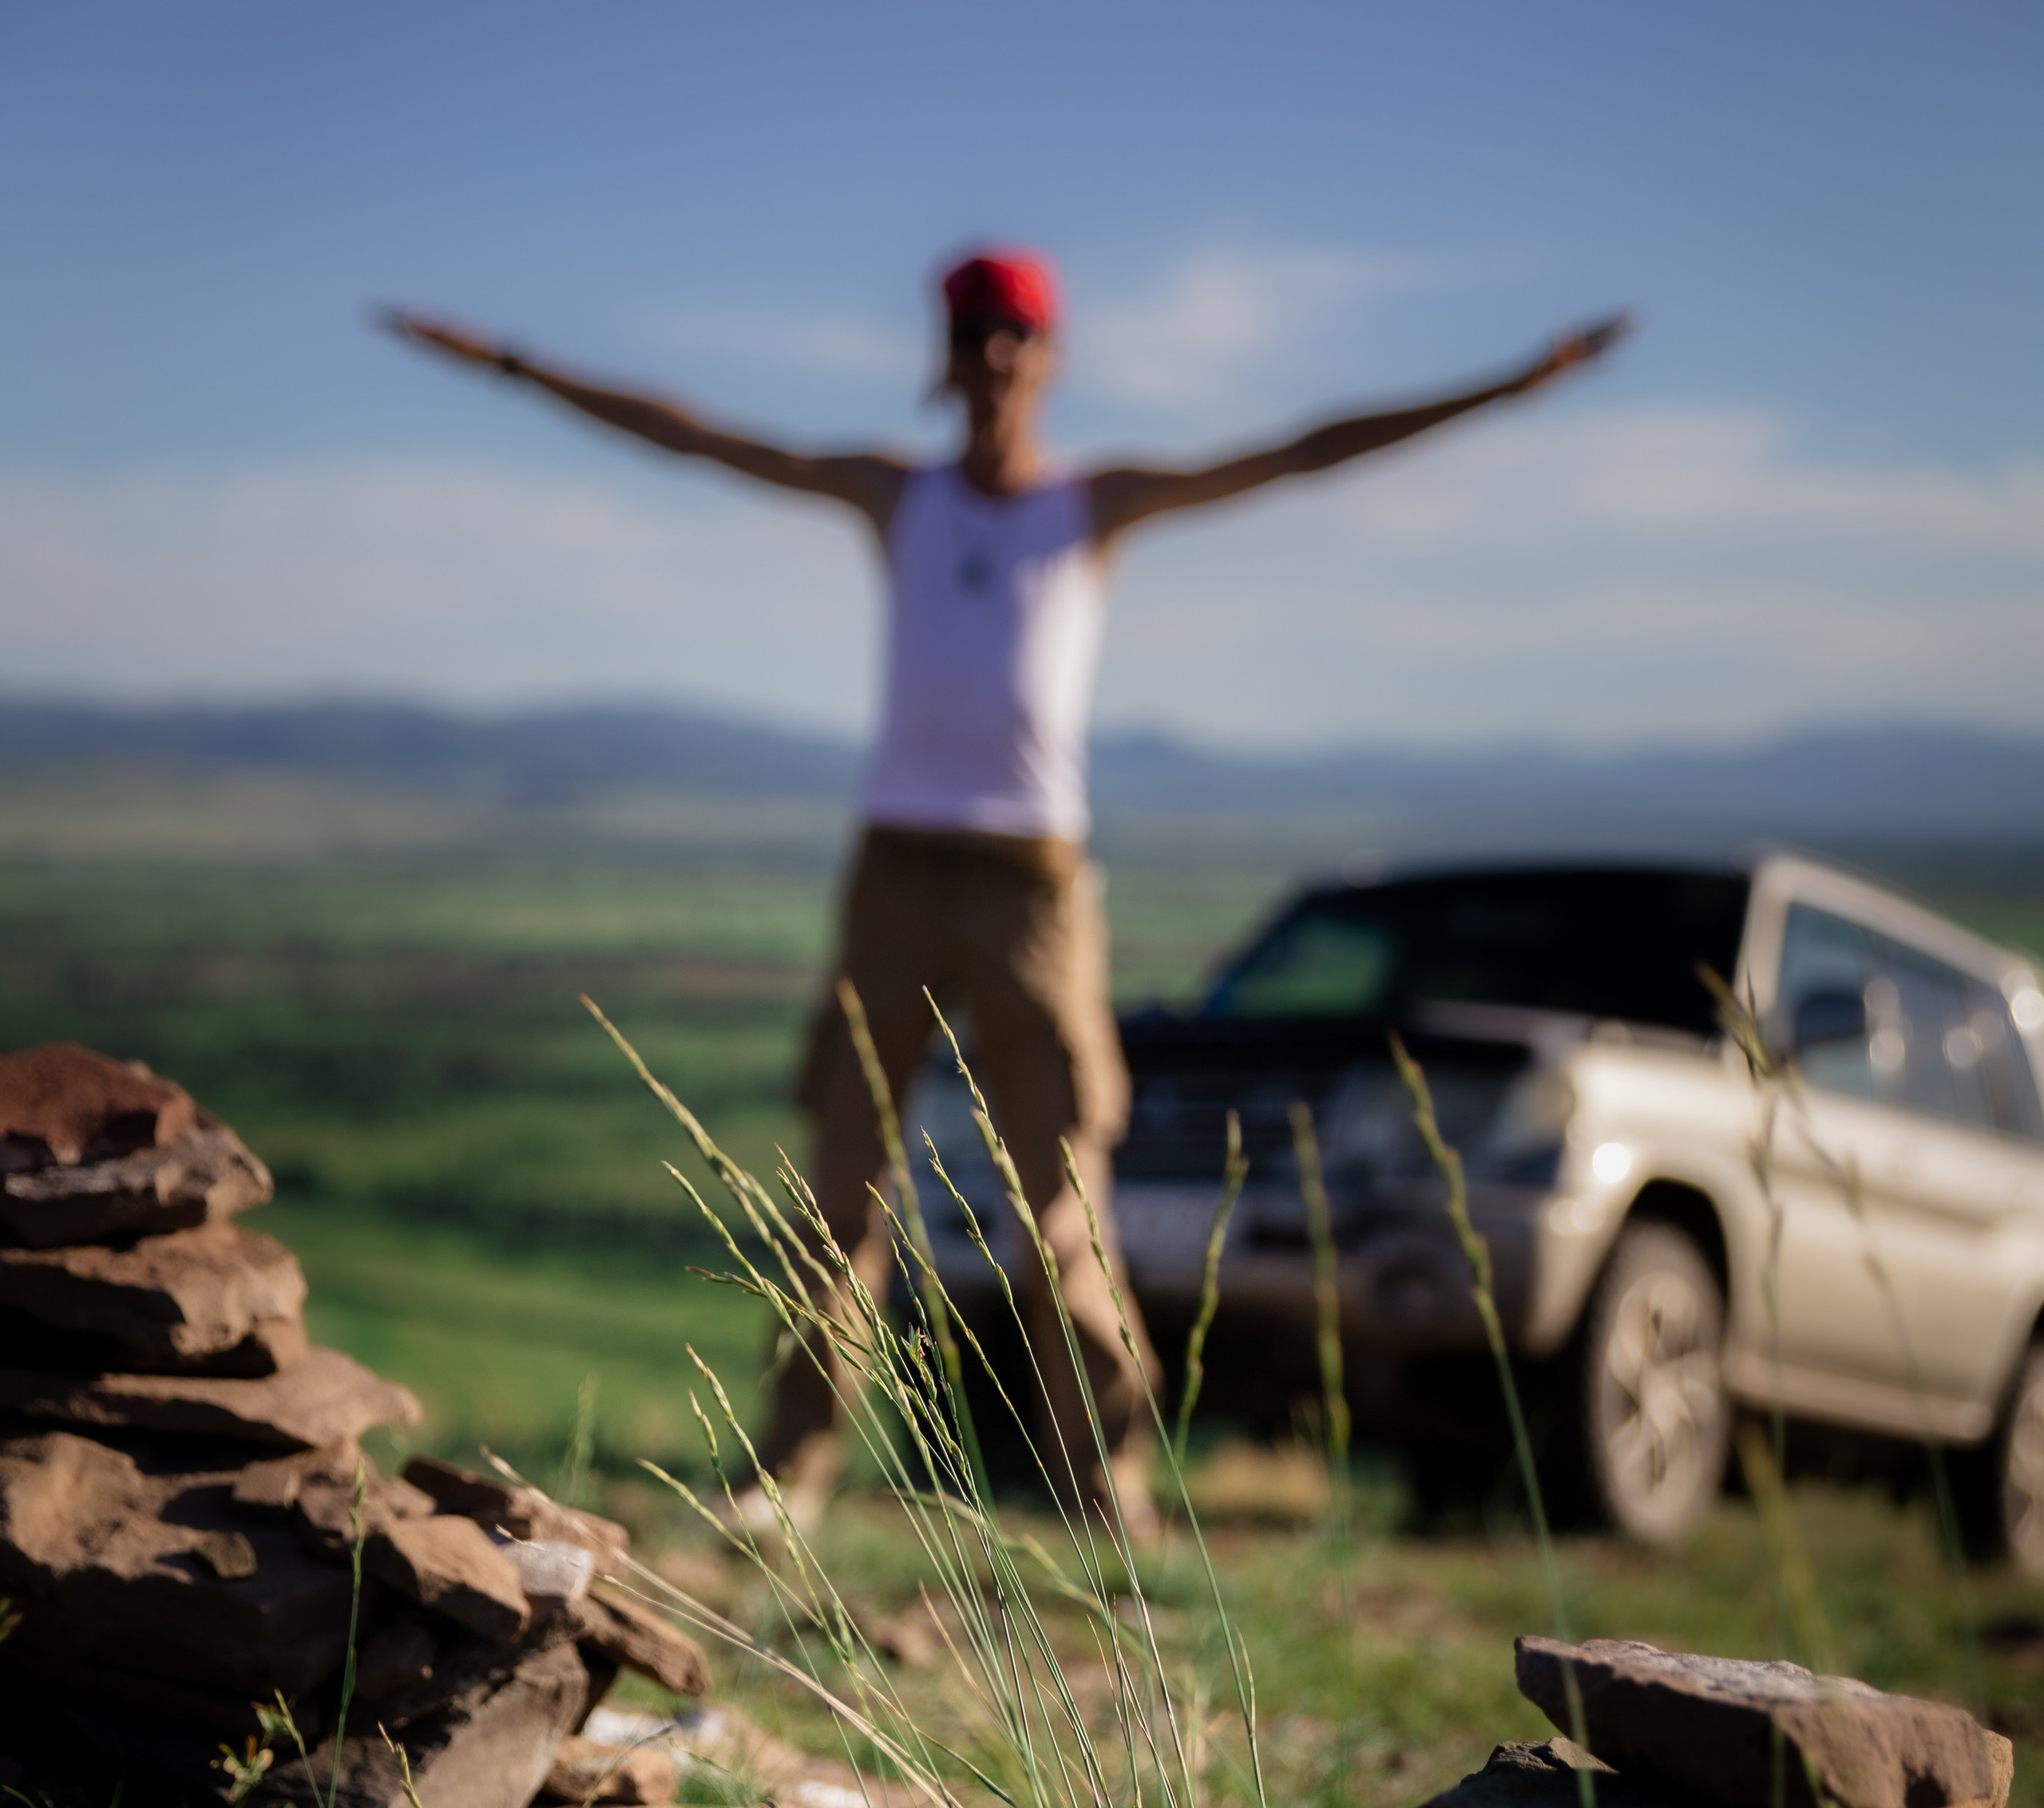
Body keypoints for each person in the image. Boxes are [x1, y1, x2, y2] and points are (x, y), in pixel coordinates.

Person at [382, 262, 1627, 1545]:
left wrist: (1507, 386)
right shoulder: (896, 495)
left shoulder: (1094, 507)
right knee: (844, 1183)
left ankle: (1106, 1480)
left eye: (1016, 334)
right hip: (896, 873)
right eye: (975, 334)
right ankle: (793, 1469)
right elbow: (705, 441)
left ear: (1048, 355)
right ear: (946, 354)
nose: (994, 358)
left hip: (1034, 884)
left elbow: (1302, 454)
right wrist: (516, 367)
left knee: (1060, 1190)